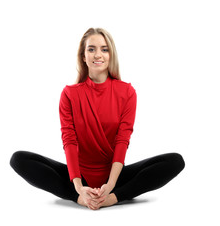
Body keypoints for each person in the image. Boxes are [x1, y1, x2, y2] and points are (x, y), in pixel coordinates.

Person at [10, 27, 185, 210]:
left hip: (114, 178)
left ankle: (113, 199)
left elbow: (122, 141)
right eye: (91, 49)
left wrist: (110, 188)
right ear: (83, 56)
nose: (98, 54)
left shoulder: (127, 92)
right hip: (79, 177)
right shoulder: (70, 94)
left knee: (175, 161)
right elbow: (69, 140)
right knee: (19, 159)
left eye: (104, 49)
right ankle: (79, 199)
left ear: (110, 55)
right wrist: (78, 189)